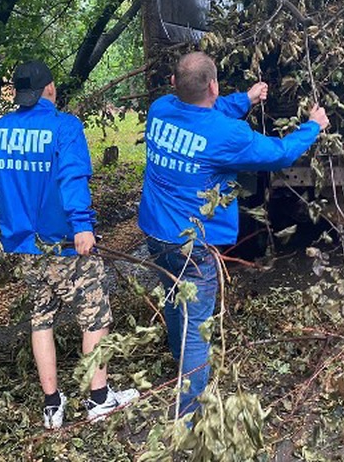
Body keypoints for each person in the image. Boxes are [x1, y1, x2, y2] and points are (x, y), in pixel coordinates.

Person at [138, 51, 329, 417]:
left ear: (175, 84)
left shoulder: (160, 109)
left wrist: (246, 99)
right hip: (192, 243)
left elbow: (205, 112)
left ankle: (179, 362)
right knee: (198, 324)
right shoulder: (228, 135)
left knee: (174, 295)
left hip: (155, 232)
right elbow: (280, 153)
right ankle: (189, 417)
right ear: (213, 84)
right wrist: (313, 126)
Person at [0, 60, 139, 430]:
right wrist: (83, 225)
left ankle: (52, 405)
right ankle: (99, 398)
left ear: (20, 94)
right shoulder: (64, 126)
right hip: (67, 245)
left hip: (24, 248)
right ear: (49, 89)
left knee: (41, 318)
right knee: (95, 316)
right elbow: (72, 178)